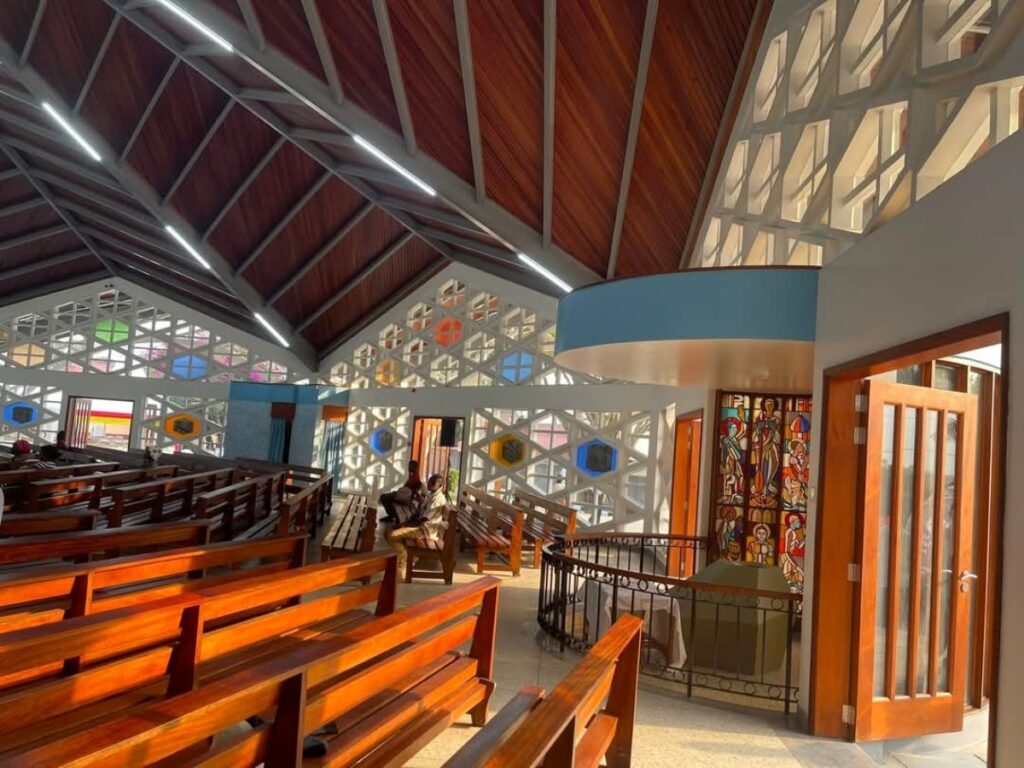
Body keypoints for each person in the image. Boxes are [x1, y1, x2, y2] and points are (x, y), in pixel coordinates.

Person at [384, 474, 448, 575]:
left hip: (424, 531)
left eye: (433, 482)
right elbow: (420, 514)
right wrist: (405, 523)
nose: (429, 484)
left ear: (440, 485)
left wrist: (405, 525)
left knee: (391, 535)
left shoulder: (438, 499)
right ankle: (404, 557)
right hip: (421, 527)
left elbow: (424, 519)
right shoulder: (432, 495)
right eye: (429, 481)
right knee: (387, 531)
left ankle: (404, 561)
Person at [379, 460, 423, 524]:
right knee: (384, 497)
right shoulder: (412, 475)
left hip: (405, 496)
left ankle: (392, 515)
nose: (408, 467)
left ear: (414, 467)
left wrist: (398, 492)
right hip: (403, 494)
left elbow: (409, 490)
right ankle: (392, 515)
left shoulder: (415, 477)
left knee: (384, 498)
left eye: (410, 466)